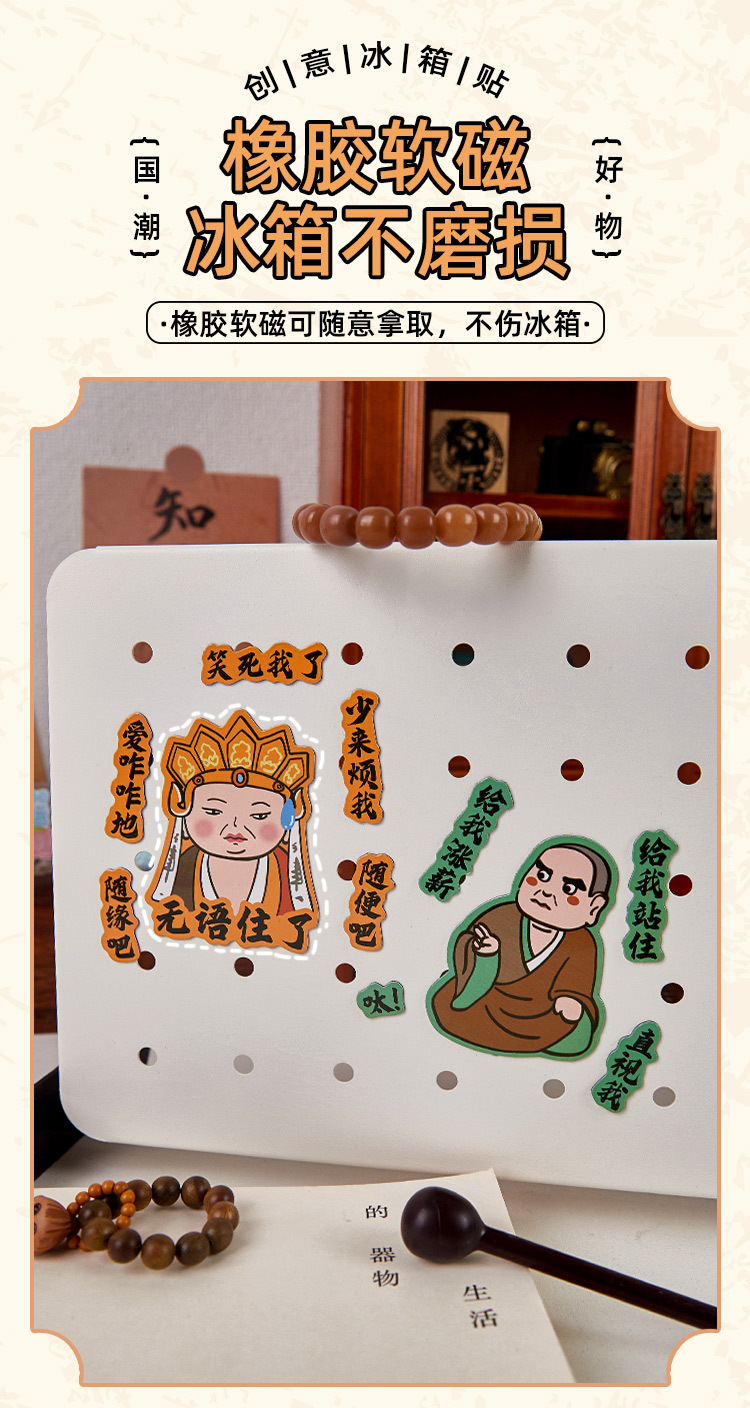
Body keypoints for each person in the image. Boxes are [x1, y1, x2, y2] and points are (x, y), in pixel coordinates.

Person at [428, 841, 614, 1057]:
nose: (546, 892)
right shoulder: (502, 916)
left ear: (593, 908)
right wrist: (487, 957)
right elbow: (468, 952)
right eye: (542, 876)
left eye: (568, 889)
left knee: (576, 1030)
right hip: (489, 1003)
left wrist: (571, 1000)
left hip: (538, 1014)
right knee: (453, 1010)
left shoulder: (582, 942)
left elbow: (577, 984)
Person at [147, 709, 316, 922]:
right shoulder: (182, 873)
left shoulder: (286, 877)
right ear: (184, 809)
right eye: (213, 811)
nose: (235, 826)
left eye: (260, 815)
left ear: (288, 818)